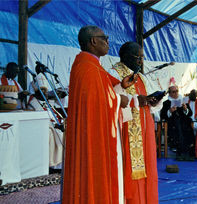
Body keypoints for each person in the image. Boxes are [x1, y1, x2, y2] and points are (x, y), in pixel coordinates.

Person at [63, 25, 132, 204]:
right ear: (93, 41)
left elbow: (104, 91)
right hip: (94, 135)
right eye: (105, 38)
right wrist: (119, 101)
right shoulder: (87, 68)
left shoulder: (92, 66)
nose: (108, 42)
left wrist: (121, 86)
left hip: (95, 131)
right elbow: (97, 101)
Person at [109, 41, 159, 204]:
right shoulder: (114, 73)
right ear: (125, 56)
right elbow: (113, 100)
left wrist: (153, 100)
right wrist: (136, 101)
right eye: (138, 57)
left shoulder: (141, 77)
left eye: (142, 57)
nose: (141, 61)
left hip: (145, 128)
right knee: (129, 170)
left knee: (148, 168)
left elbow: (150, 105)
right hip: (127, 130)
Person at [161, 85, 195, 161]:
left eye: (177, 91)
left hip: (185, 123)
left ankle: (189, 153)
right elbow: (162, 115)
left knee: (187, 126)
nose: (176, 93)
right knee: (178, 126)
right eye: (173, 92)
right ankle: (180, 153)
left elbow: (190, 114)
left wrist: (185, 109)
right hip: (173, 123)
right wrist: (170, 111)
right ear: (169, 93)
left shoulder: (183, 101)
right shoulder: (166, 103)